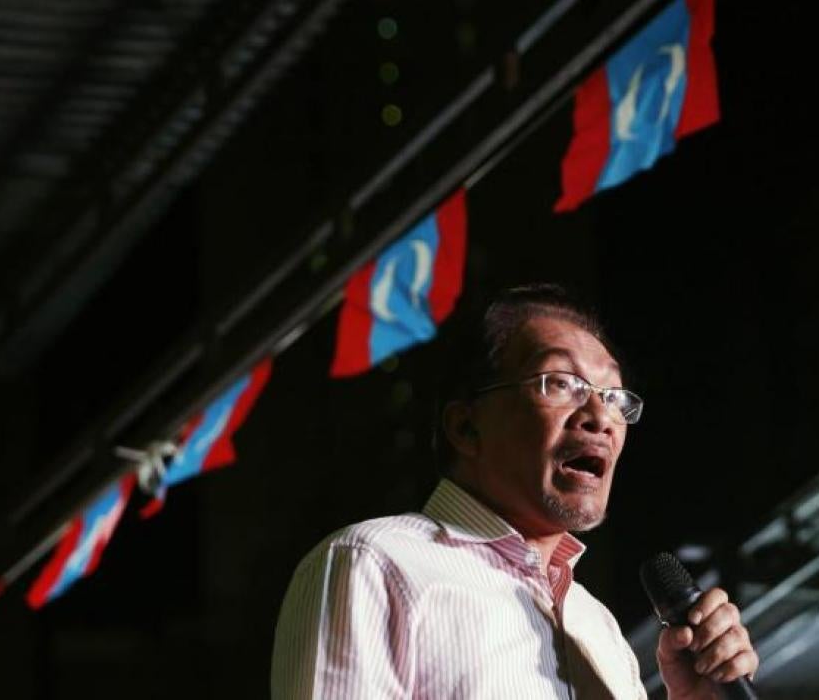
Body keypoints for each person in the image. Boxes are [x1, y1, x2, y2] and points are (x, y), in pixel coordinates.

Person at [271, 284, 758, 699]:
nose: (600, 416)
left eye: (613, 396)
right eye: (560, 382)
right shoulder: (373, 564)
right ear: (466, 427)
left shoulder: (600, 628)